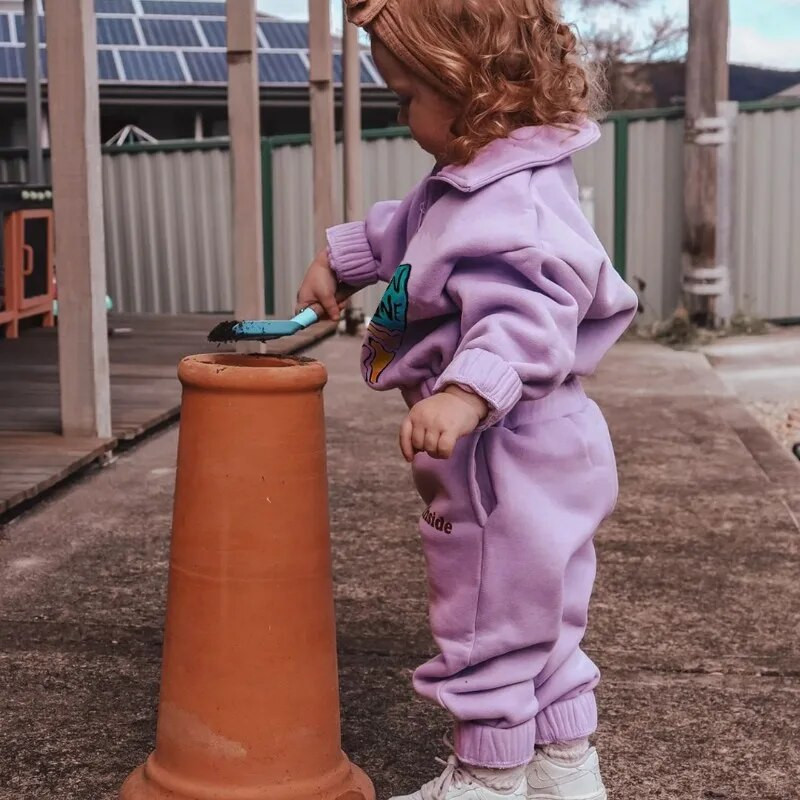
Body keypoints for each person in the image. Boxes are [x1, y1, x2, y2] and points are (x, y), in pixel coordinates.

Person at [296, 1, 638, 797]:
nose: (402, 116)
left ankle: (488, 777)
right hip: (548, 443)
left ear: (469, 84)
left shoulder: (509, 206)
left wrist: (464, 393)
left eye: (406, 98)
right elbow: (409, 229)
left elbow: (528, 312)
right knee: (543, 615)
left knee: (484, 619)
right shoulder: (480, 182)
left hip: (501, 452)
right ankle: (564, 766)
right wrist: (341, 259)